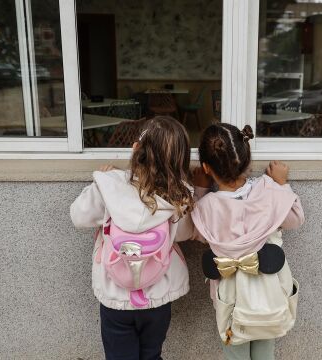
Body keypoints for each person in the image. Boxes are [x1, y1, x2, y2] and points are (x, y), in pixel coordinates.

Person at [70, 116, 198, 360]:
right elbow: (184, 233)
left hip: (115, 297)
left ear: (135, 149)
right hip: (158, 296)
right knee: (151, 355)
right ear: (179, 159)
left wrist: (99, 181)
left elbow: (78, 216)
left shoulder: (109, 185)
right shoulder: (180, 195)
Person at [191, 123, 305, 360]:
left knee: (235, 352)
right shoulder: (267, 190)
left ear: (205, 167)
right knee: (265, 350)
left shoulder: (206, 207)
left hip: (230, 298)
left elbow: (197, 231)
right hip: (269, 293)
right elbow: (295, 219)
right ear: (248, 160)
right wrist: (281, 184)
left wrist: (200, 189)